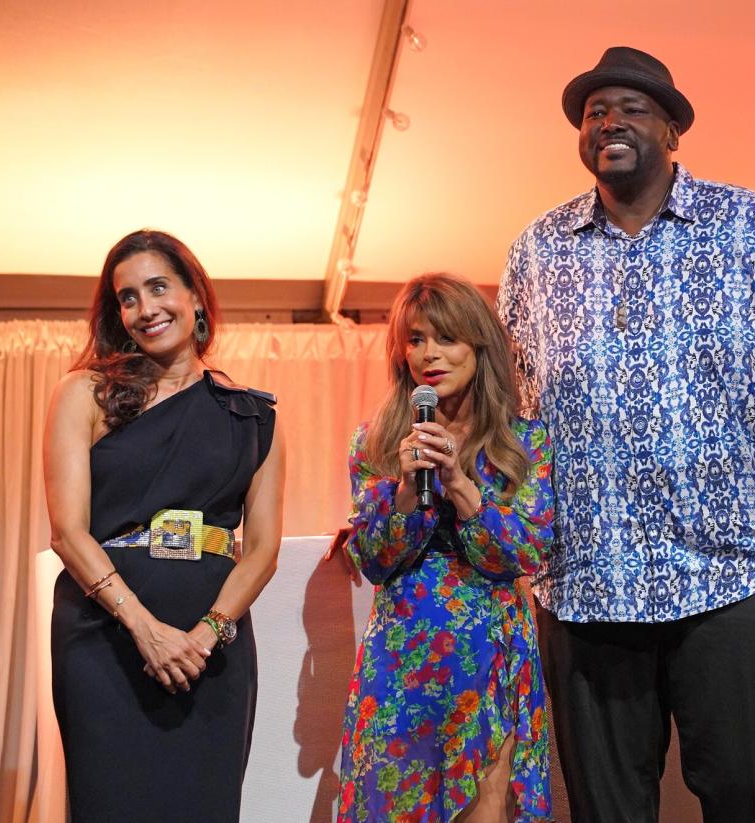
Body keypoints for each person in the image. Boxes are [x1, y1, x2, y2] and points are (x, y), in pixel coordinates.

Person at [499, 46, 755, 822]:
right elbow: (512, 415)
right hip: (590, 589)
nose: (609, 123)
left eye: (631, 108)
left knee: (753, 805)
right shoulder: (536, 250)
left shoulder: (749, 226)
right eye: (594, 113)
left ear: (673, 131)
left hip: (744, 582)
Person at [44, 229, 285, 822]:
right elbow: (67, 532)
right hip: (103, 640)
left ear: (196, 295)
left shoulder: (253, 417)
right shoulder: (85, 394)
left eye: (158, 288)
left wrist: (205, 635)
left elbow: (262, 550)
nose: (146, 309)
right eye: (128, 297)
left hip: (213, 653)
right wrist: (144, 629)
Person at [337, 273, 554, 823]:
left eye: (446, 338)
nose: (428, 354)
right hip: (402, 656)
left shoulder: (523, 443)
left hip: (489, 654)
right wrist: (408, 492)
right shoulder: (377, 443)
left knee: (484, 804)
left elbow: (526, 554)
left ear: (479, 347)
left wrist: (459, 485)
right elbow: (372, 560)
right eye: (414, 340)